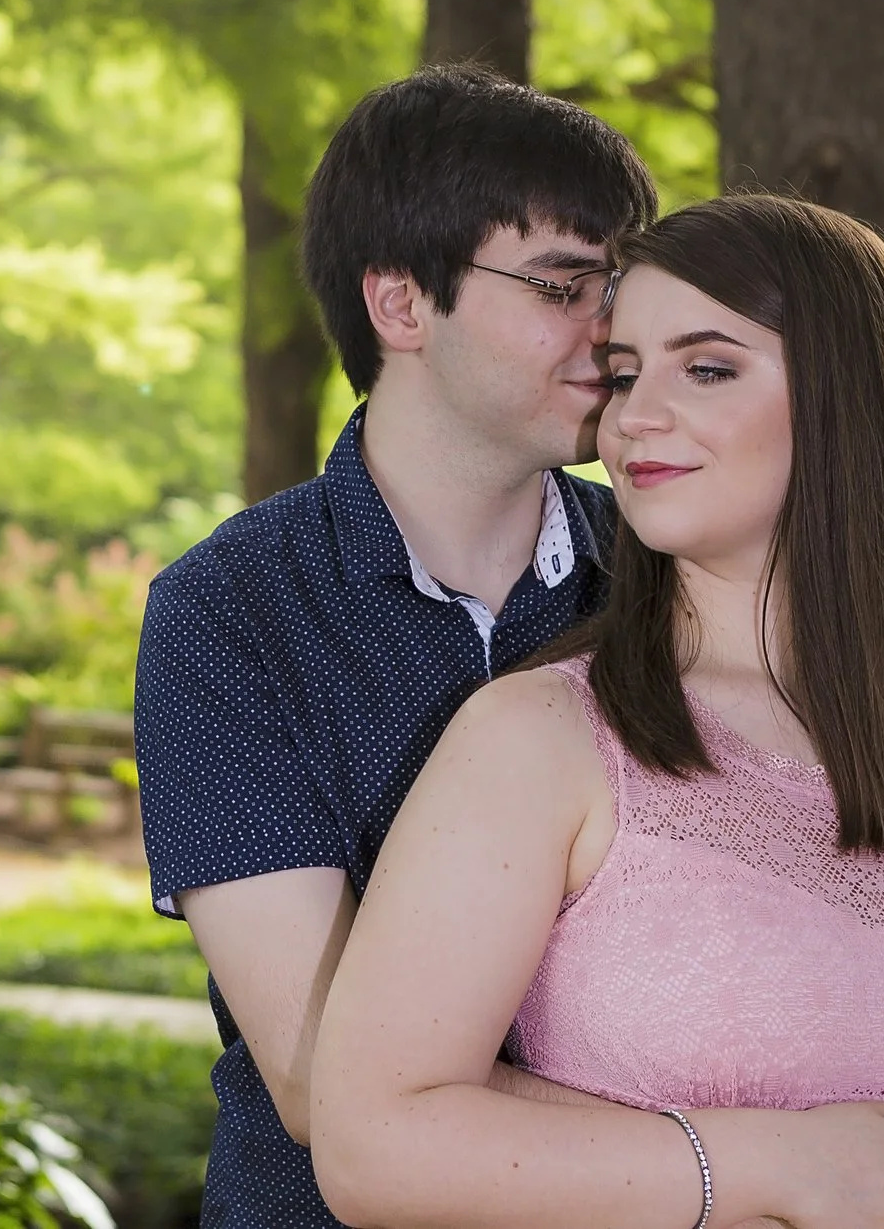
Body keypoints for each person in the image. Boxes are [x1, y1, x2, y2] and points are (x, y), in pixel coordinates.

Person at [308, 194, 884, 1229]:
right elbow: (373, 1140)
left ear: (848, 400)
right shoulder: (538, 740)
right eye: (621, 373)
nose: (632, 415)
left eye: (705, 367)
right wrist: (769, 1162)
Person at [133, 64, 659, 1228]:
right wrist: (742, 1156)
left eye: (621, 283)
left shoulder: (675, 582)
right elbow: (329, 1081)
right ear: (402, 304)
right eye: (566, 284)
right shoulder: (226, 614)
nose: (614, 330)